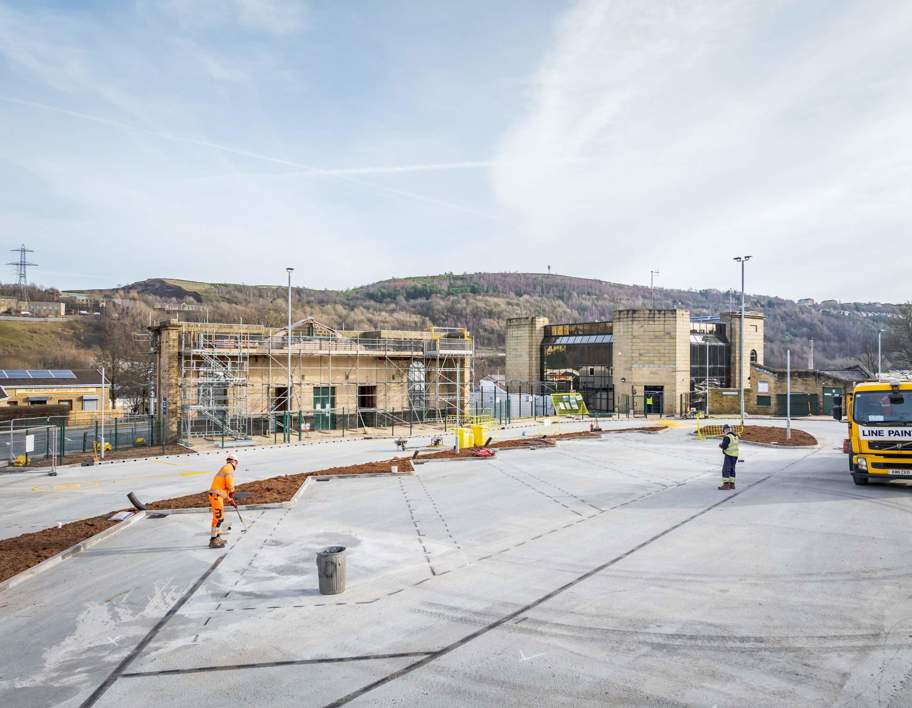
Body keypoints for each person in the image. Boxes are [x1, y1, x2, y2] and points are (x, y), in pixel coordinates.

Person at [209, 453, 238, 548]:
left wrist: (230, 500)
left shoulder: (225, 467)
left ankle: (217, 537)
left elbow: (223, 490)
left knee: (220, 518)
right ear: (235, 462)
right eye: (236, 463)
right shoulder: (229, 468)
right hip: (216, 496)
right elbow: (230, 484)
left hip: (217, 495)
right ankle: (213, 540)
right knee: (218, 518)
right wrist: (232, 491)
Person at [718, 424, 739, 490]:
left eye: (724, 431)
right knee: (732, 469)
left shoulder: (727, 437)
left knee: (726, 470)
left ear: (726, 430)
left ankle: (726, 485)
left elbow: (725, 446)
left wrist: (720, 445)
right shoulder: (735, 436)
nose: (724, 433)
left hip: (729, 455)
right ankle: (732, 484)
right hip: (735, 456)